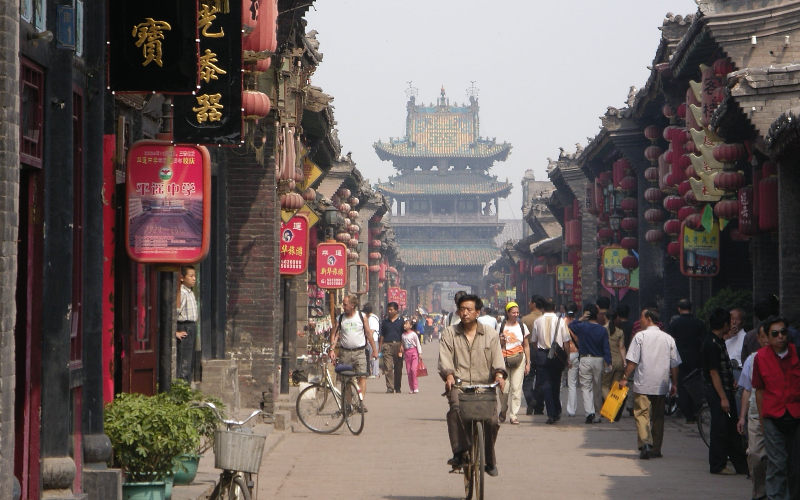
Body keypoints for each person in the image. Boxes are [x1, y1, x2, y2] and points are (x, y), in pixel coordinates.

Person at [439, 294, 506, 476]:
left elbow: (498, 360)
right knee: (456, 412)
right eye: (462, 309)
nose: (465, 313)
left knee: (491, 421)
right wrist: (449, 375)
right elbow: (445, 358)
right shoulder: (449, 334)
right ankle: (460, 452)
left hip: (485, 386)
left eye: (469, 309)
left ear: (478, 312)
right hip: (459, 385)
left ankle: (489, 460)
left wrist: (499, 374)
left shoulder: (491, 335)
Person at [619, 308, 681, 459]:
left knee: (641, 414)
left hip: (643, 383)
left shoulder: (640, 336)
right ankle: (656, 449)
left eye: (641, 317)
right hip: (661, 384)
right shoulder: (668, 339)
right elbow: (675, 364)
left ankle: (646, 443)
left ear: (648, 319)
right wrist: (675, 384)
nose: (639, 320)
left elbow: (632, 361)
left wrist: (625, 377)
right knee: (658, 417)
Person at [752, 316, 800, 500]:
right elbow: (760, 390)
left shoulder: (797, 353)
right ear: (767, 337)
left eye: (783, 332)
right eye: (775, 334)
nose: (780, 336)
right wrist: (762, 420)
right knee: (777, 462)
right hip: (773, 415)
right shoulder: (761, 358)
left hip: (796, 414)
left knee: (795, 465)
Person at [702, 307, 748, 475]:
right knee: (720, 429)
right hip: (717, 392)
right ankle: (718, 464)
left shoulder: (719, 340)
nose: (732, 323)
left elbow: (723, 368)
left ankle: (741, 465)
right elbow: (714, 373)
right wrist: (723, 397)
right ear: (724, 324)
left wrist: (731, 380)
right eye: (730, 321)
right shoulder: (711, 344)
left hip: (725, 388)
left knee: (730, 428)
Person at [737, 320, 770, 500]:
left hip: (779, 413)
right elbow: (747, 389)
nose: (767, 340)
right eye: (763, 336)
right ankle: (759, 493)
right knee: (756, 455)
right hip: (756, 414)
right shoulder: (752, 359)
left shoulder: (789, 359)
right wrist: (742, 417)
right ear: (758, 338)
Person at [329, 295, 378, 409]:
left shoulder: (362, 317)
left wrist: (374, 350)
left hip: (360, 352)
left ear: (352, 305)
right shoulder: (340, 318)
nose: (343, 307)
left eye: (345, 304)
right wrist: (332, 349)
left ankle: (359, 402)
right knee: (346, 380)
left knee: (362, 377)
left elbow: (368, 334)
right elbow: (334, 335)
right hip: (345, 353)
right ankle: (348, 404)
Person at [569, 303, 611, 424]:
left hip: (585, 359)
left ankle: (589, 412)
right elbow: (606, 347)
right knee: (597, 388)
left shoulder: (582, 327)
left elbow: (571, 325)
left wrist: (581, 318)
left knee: (586, 387)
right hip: (599, 360)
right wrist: (609, 362)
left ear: (586, 314)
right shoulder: (602, 330)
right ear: (597, 315)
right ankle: (597, 414)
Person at [531, 297, 572, 424]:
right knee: (556, 384)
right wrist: (567, 358)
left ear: (543, 308)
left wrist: (540, 351)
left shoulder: (537, 321)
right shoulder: (560, 321)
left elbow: (534, 341)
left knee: (546, 386)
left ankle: (551, 413)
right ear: (554, 308)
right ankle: (557, 410)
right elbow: (566, 342)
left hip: (543, 355)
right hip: (557, 356)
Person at [667, 299, 706, 424]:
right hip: (696, 356)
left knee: (681, 385)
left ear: (679, 309)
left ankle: (688, 414)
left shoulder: (675, 324)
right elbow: (704, 341)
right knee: (696, 383)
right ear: (691, 308)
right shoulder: (699, 323)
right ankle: (696, 410)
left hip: (680, 357)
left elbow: (671, 343)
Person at [497, 302, 531, 425]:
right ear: (508, 313)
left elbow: (526, 346)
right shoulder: (501, 326)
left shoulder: (522, 326)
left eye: (517, 312)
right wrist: (501, 340)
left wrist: (528, 362)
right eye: (513, 312)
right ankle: (503, 409)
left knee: (516, 388)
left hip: (519, 360)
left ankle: (513, 415)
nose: (516, 314)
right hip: (503, 361)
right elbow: (496, 346)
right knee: (503, 389)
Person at [521, 295, 546, 415]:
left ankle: (531, 399)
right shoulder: (545, 318)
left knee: (527, 379)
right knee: (541, 380)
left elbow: (521, 339)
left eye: (530, 302)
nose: (529, 303)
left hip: (529, 349)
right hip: (542, 350)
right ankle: (539, 407)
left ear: (534, 304)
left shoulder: (525, 319)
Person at [176, 266, 198, 384]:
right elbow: (175, 313)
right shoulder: (182, 293)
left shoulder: (190, 292)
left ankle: (187, 385)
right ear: (182, 278)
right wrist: (175, 332)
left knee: (190, 359)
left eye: (194, 276)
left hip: (192, 327)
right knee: (184, 360)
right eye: (191, 276)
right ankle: (182, 386)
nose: (194, 279)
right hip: (184, 326)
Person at [602, 310, 627, 403]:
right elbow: (622, 347)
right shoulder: (620, 332)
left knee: (604, 386)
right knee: (615, 388)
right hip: (619, 361)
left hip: (607, 363)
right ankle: (614, 410)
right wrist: (624, 361)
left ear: (605, 317)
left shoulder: (602, 330)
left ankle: (611, 405)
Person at [379, 301, 404, 393]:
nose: (389, 311)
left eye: (391, 310)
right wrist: (379, 347)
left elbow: (403, 335)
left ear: (396, 310)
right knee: (388, 367)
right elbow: (382, 335)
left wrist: (402, 346)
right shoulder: (385, 322)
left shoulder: (401, 321)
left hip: (398, 345)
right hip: (387, 345)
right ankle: (390, 387)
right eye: (388, 309)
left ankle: (397, 387)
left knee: (398, 368)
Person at [617, 304, 635, 416]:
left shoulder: (616, 327)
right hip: (631, 357)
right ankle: (631, 405)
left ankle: (618, 405)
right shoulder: (633, 326)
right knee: (631, 381)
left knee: (618, 381)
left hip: (618, 357)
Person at [564, 302, 581, 417]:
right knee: (572, 383)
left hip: (562, 355)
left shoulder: (561, 323)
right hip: (575, 353)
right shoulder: (579, 323)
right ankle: (571, 410)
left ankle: (558, 407)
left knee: (559, 383)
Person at [401, 318, 422, 394]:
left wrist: (420, 353)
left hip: (414, 352)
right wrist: (401, 350)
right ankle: (411, 388)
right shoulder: (403, 335)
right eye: (404, 324)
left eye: (406, 324)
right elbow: (403, 344)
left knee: (413, 370)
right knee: (409, 371)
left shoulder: (413, 334)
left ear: (410, 326)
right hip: (407, 354)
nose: (404, 325)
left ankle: (415, 387)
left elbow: (418, 344)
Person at [362, 303, 381, 378]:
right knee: (371, 356)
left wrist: (368, 340)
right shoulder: (371, 318)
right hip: (371, 339)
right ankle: (373, 371)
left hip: (373, 339)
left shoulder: (372, 318)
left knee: (373, 356)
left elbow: (372, 330)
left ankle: (375, 373)